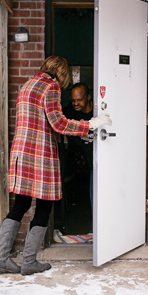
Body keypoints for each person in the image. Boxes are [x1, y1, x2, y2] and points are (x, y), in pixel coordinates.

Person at [0, 55, 111, 275]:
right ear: (62, 73)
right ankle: (28, 261)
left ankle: (1, 259)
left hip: (21, 153)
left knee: (20, 205)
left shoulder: (27, 85)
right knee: (45, 205)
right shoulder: (51, 87)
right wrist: (90, 124)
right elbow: (58, 123)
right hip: (39, 154)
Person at [62, 83, 94, 231]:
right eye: (73, 100)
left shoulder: (98, 111)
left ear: (88, 97)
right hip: (79, 161)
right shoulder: (70, 111)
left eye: (79, 100)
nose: (75, 103)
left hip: (98, 162)